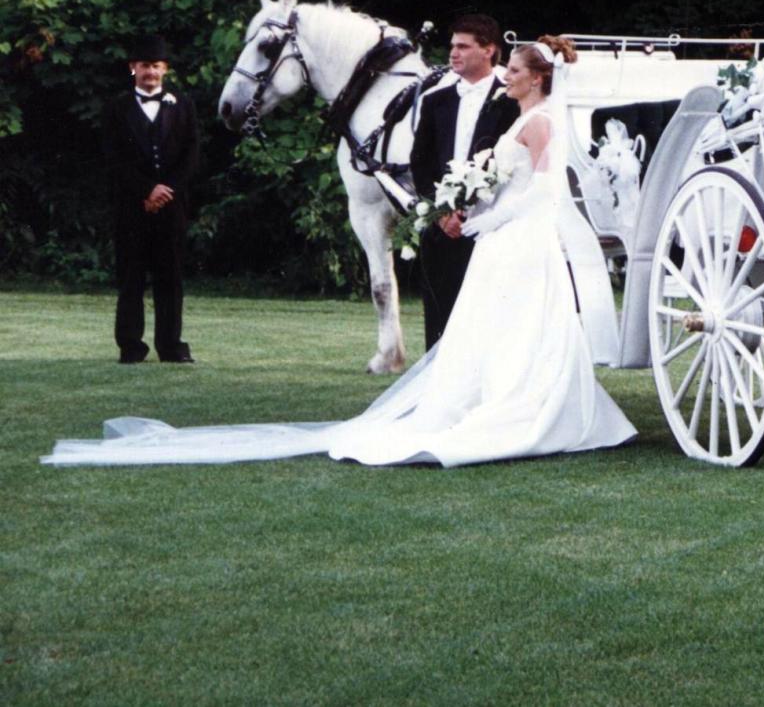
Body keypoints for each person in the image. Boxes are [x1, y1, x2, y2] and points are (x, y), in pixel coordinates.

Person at [42, 36, 636, 468]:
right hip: (496, 233)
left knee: (520, 324)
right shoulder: (523, 117)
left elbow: (542, 194)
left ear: (536, 78)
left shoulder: (538, 122)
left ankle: (521, 405)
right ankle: (496, 398)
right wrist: (469, 208)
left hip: (516, 237)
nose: (507, 76)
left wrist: (481, 221)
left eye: (515, 70)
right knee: (494, 325)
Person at [410, 14, 519, 349]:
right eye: (452, 46)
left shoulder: (511, 101)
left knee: (485, 316)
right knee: (439, 313)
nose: (453, 53)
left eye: (463, 46)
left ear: (489, 50)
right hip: (443, 225)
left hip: (490, 223)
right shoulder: (434, 101)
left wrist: (475, 209)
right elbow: (420, 163)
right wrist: (442, 212)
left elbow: (514, 163)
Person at [102, 35, 200, 364]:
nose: (150, 72)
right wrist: (146, 190)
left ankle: (171, 347)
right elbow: (113, 158)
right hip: (132, 206)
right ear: (133, 68)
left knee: (170, 277)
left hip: (172, 205)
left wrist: (166, 189)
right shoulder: (116, 108)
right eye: (144, 66)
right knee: (131, 277)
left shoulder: (183, 104)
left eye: (156, 66)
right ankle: (131, 347)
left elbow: (192, 153)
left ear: (165, 69)